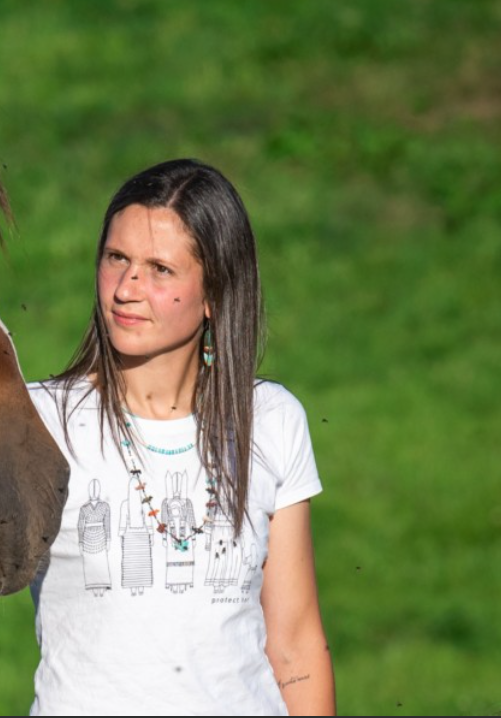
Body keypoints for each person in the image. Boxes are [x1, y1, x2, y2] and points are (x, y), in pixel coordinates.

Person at [27, 159, 335, 715]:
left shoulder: (271, 419)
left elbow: (294, 646)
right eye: (116, 258)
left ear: (214, 292)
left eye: (160, 269)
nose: (127, 288)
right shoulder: (38, 421)